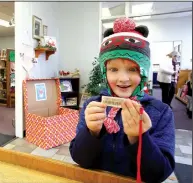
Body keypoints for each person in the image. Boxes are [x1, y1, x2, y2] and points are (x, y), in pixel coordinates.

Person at [69, 17, 175, 183]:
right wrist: (92, 132)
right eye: (113, 69)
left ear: (144, 72)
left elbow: (158, 174)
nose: (123, 78)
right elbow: (80, 158)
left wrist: (139, 138)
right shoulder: (93, 106)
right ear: (105, 73)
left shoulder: (161, 113)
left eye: (133, 69)